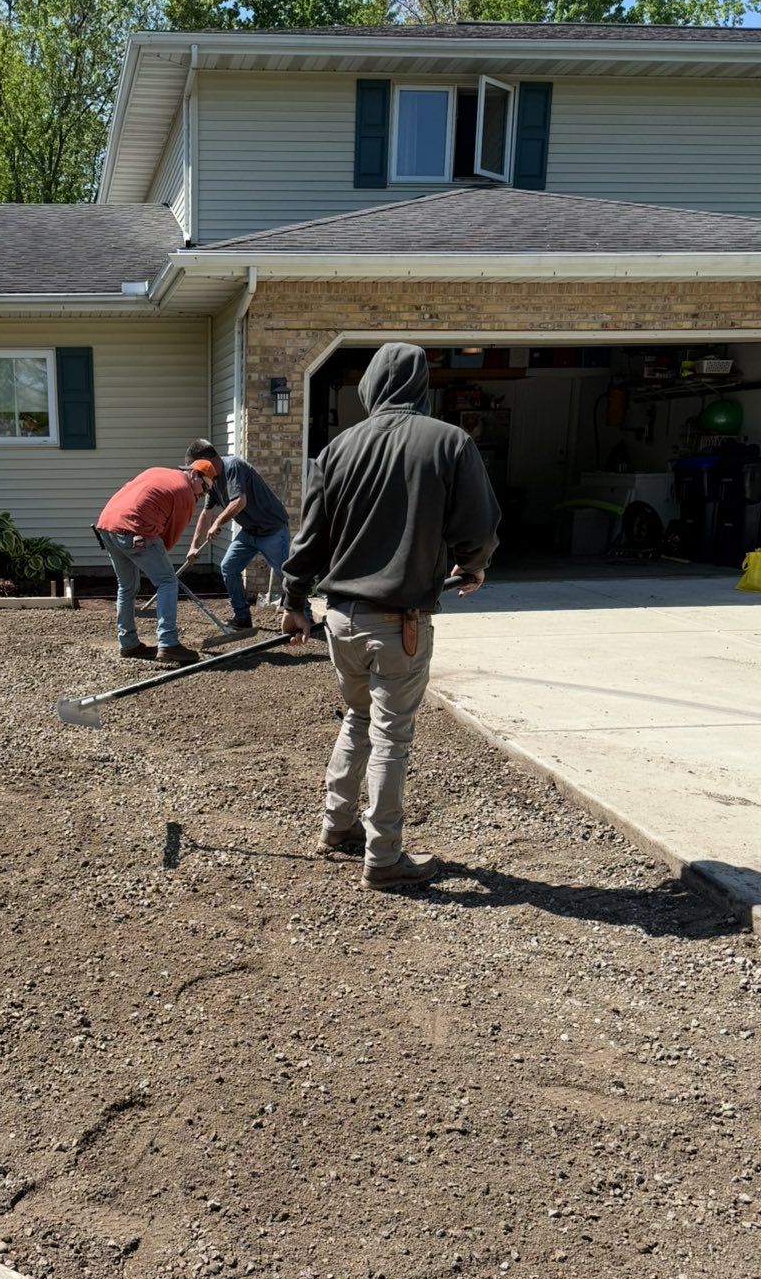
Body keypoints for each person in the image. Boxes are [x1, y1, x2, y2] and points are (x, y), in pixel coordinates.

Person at [280, 343, 500, 893]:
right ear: (421, 386)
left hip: (342, 620)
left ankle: (337, 824)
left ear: (371, 387)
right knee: (392, 737)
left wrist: (293, 602)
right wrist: (472, 566)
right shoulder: (449, 442)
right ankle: (384, 857)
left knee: (356, 719)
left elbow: (309, 541)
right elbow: (479, 523)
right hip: (397, 623)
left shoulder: (336, 450)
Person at [94, 459, 217, 665]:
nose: (202, 494)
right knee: (167, 582)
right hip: (136, 529)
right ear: (194, 474)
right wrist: (157, 559)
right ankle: (168, 644)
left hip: (107, 526)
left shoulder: (159, 471)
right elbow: (169, 536)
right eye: (204, 487)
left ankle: (128, 644)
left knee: (126, 586)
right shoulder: (185, 492)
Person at [183, 440, 291, 632]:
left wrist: (217, 523)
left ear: (205, 460)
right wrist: (193, 546)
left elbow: (239, 501)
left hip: (272, 529)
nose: (196, 474)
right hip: (250, 531)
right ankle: (242, 617)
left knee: (286, 574)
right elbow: (206, 514)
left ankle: (305, 616)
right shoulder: (212, 480)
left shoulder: (233, 466)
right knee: (229, 567)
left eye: (196, 467)